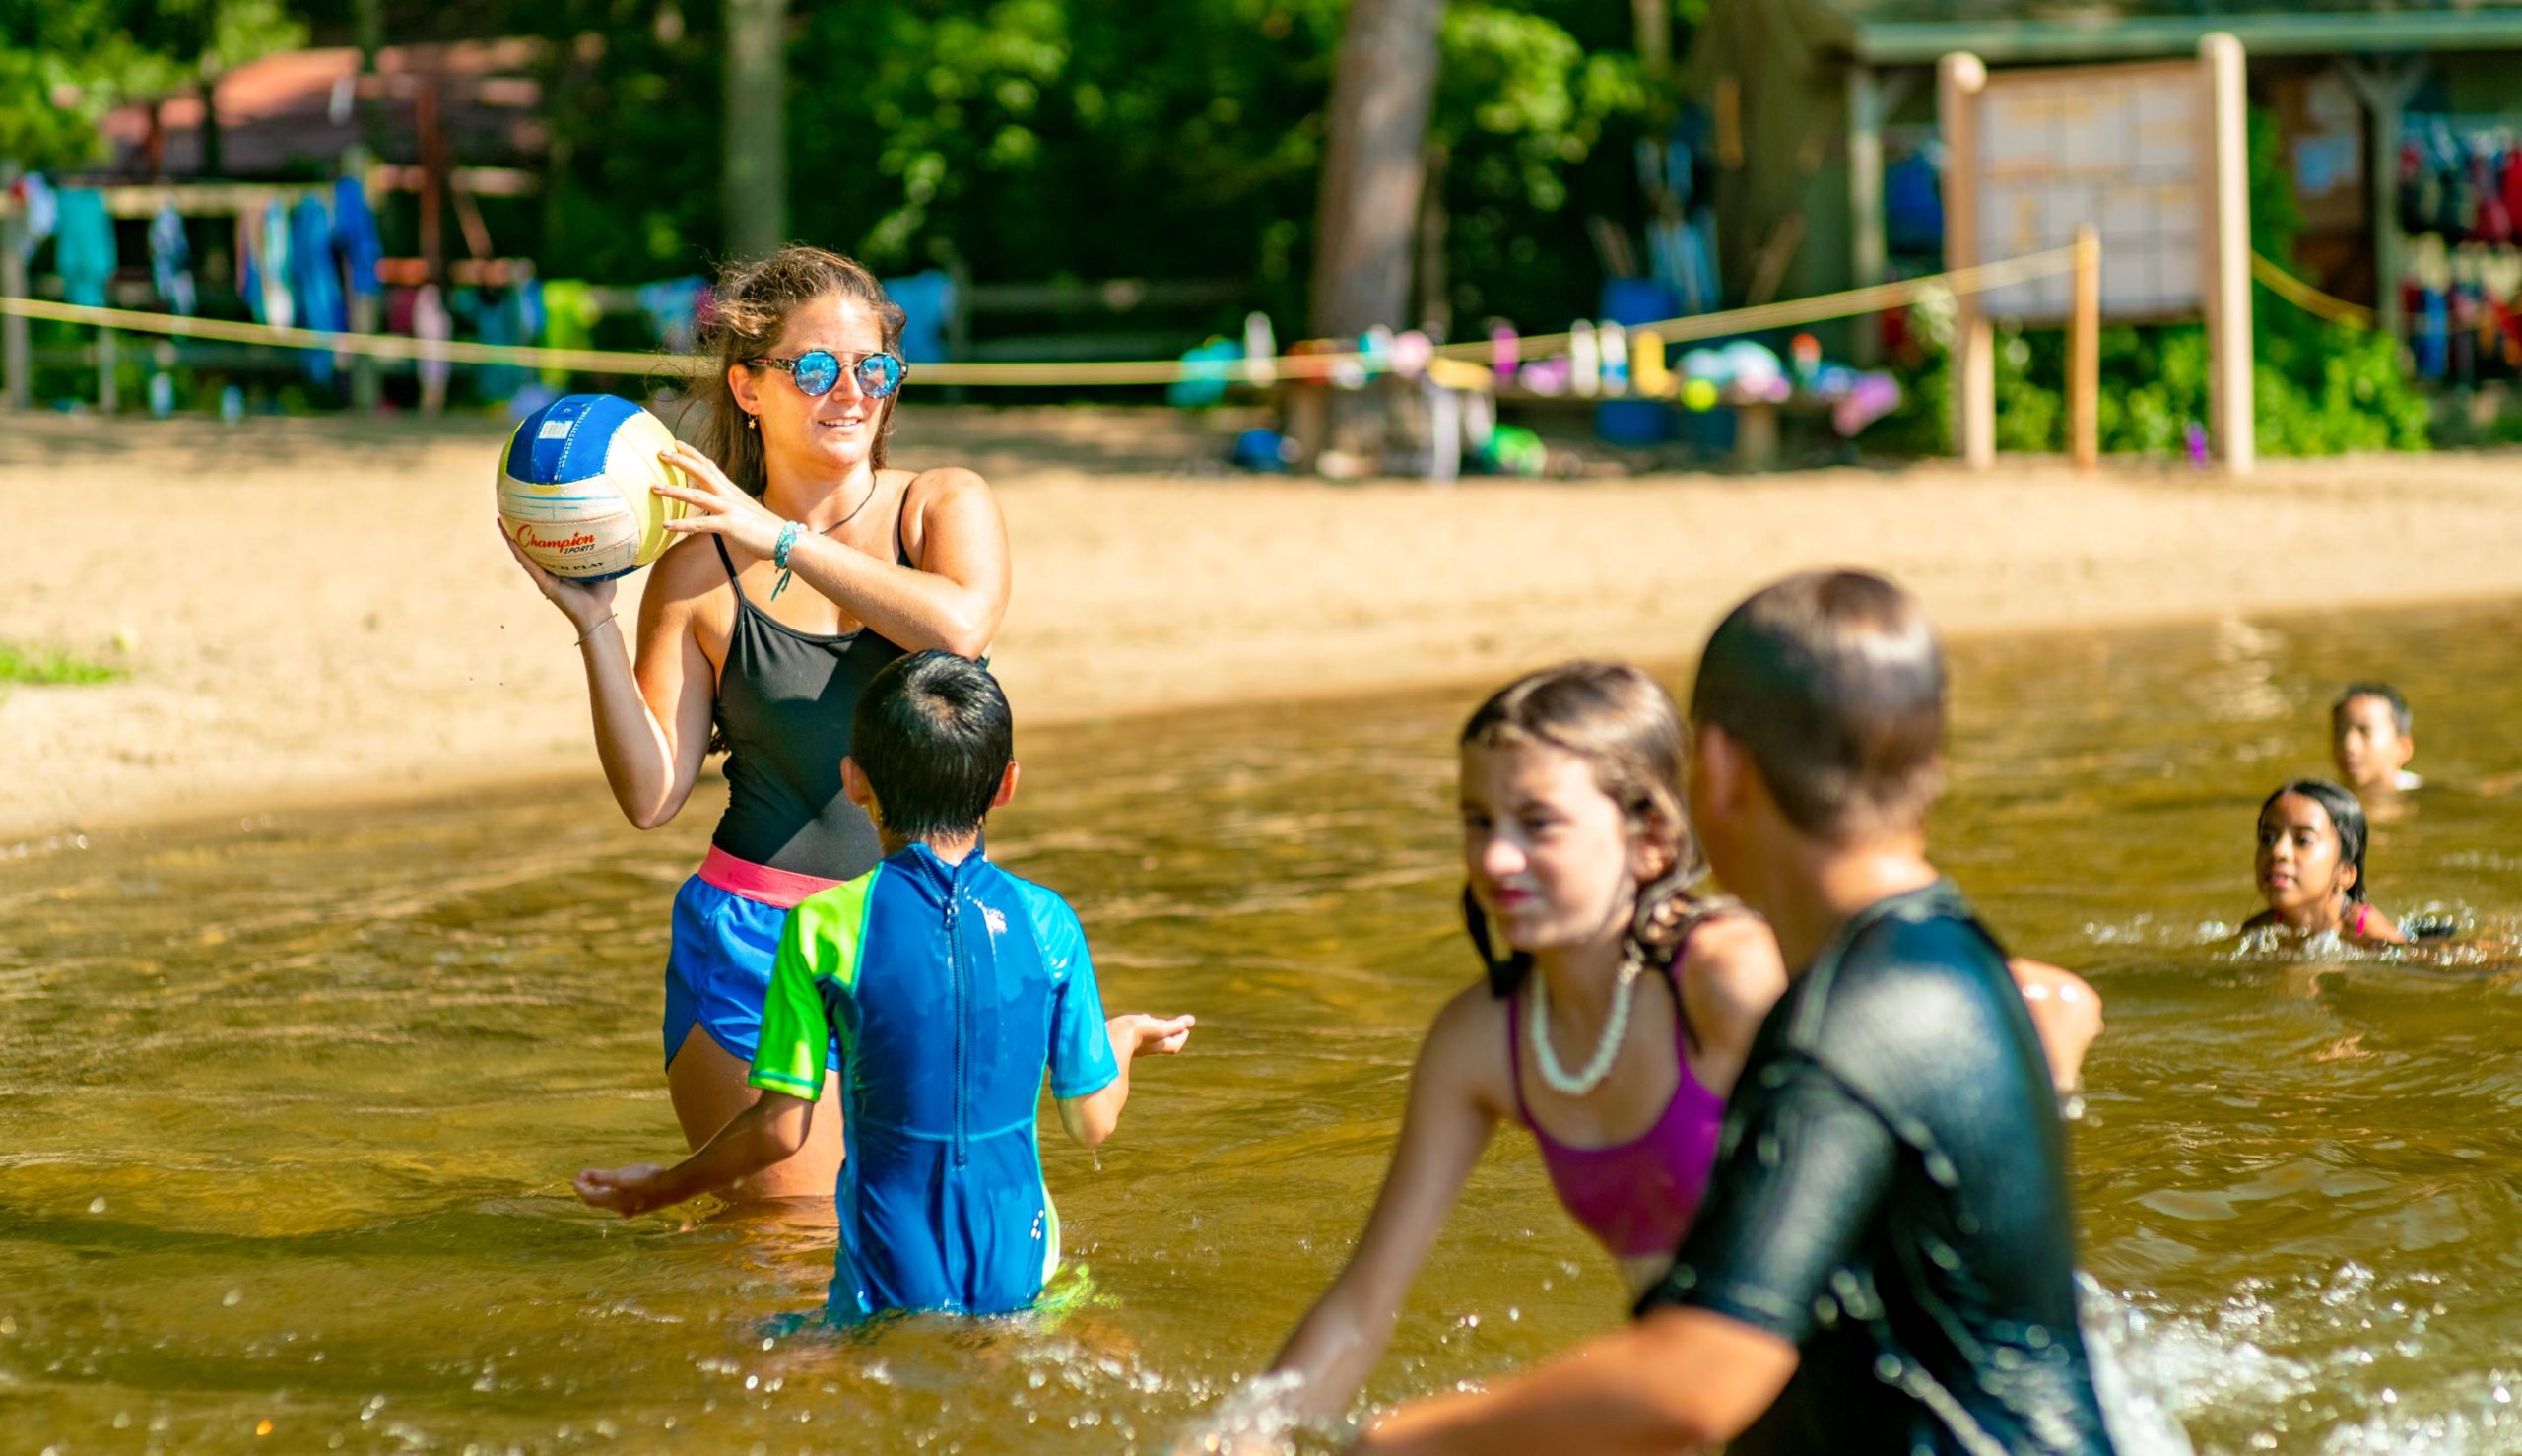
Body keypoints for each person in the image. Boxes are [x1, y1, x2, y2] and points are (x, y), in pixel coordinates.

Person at [1357, 571, 2114, 1455]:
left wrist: (1403, 1439)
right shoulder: (1934, 958)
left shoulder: (1847, 1020)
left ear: (1717, 770)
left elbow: (1703, 1375)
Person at [503, 246, 1012, 1198]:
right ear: (748, 386)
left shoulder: (942, 505)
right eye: (814, 369)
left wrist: (778, 535)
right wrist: (596, 625)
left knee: (940, 1268)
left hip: (930, 936)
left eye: (874, 369)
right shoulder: (697, 572)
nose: (849, 392)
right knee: (788, 1253)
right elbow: (652, 795)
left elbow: (960, 624)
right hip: (755, 946)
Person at [573, 651, 1194, 1317]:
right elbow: (1092, 1121)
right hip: (1020, 1269)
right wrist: (1121, 1039)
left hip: (886, 1274)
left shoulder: (823, 929)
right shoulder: (1048, 924)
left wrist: (661, 1188)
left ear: (855, 782)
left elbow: (779, 1134)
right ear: (1006, 785)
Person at [2246, 779, 2407, 947]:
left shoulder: (2368, 933)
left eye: (2303, 841)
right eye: (2267, 839)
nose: (2277, 851)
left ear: (2345, 873)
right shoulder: (2259, 930)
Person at [2331, 683, 2420, 807]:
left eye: (2365, 731)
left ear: (2403, 747)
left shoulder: (2428, 801)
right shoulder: (2318, 806)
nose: (2348, 745)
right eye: (2340, 733)